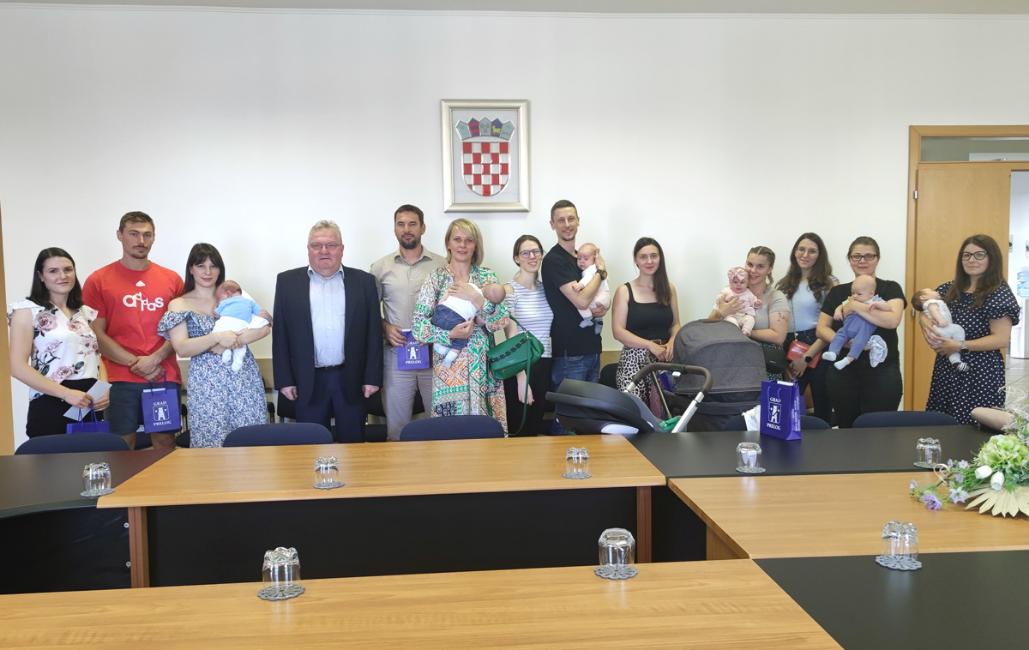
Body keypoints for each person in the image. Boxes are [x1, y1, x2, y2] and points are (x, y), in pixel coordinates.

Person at [273, 220, 383, 442]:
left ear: (342, 249)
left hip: (351, 379)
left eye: (331, 245)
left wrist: (373, 377)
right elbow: (280, 335)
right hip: (307, 381)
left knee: (353, 445)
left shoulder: (364, 282)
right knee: (311, 445)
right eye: (316, 245)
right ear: (308, 249)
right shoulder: (287, 282)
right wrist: (284, 380)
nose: (324, 251)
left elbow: (373, 333)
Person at [83, 211, 183, 449]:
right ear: (120, 235)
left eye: (147, 235)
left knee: (164, 441)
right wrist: (137, 364)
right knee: (121, 443)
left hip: (163, 374)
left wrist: (155, 359)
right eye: (134, 234)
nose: (141, 241)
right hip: (118, 378)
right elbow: (96, 334)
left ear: (154, 237)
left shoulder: (172, 279)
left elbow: (180, 330)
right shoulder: (98, 280)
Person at [158, 245, 269, 447]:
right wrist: (216, 337)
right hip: (206, 384)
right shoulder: (179, 304)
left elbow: (264, 325)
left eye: (213, 266)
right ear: (191, 269)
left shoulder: (234, 293)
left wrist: (233, 341)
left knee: (251, 440)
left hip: (243, 377)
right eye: (201, 266)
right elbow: (182, 347)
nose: (207, 272)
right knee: (211, 443)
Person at [412, 218, 509, 429]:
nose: (462, 245)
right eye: (457, 239)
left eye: (469, 240)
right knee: (451, 435)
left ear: (476, 245)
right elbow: (418, 328)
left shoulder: (487, 277)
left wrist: (476, 298)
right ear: (448, 243)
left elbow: (501, 321)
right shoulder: (436, 278)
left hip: (484, 371)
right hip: (448, 373)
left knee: (486, 433)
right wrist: (450, 334)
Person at [8, 248, 110, 438]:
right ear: (41, 276)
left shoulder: (84, 312)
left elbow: (95, 356)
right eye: (53, 271)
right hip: (52, 400)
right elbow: (17, 367)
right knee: (53, 457)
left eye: (68, 269)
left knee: (91, 456)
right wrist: (66, 393)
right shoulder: (26, 311)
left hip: (89, 401)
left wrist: (103, 389)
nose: (62, 276)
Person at [921, 234, 1019, 424]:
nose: (971, 260)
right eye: (966, 255)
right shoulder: (948, 289)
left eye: (979, 254)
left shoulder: (998, 293)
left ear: (992, 258)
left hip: (980, 372)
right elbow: (924, 308)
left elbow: (1001, 339)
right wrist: (925, 323)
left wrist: (959, 345)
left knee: (974, 427)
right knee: (941, 423)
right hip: (947, 368)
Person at [370, 204, 446, 441]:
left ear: (423, 228)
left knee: (440, 425)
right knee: (397, 430)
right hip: (397, 355)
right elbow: (369, 313)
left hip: (435, 354)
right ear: (394, 229)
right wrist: (385, 328)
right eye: (401, 224)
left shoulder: (442, 265)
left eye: (412, 224)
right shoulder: (380, 267)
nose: (407, 229)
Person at [817, 236, 906, 428]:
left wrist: (854, 306)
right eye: (856, 256)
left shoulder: (890, 288)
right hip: (843, 374)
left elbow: (892, 320)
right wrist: (847, 343)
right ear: (849, 260)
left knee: (881, 429)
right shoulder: (838, 292)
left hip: (882, 372)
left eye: (868, 256)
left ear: (877, 259)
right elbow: (822, 328)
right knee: (847, 429)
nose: (862, 261)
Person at [542, 200, 608, 432]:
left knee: (589, 422)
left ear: (578, 221)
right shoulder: (554, 260)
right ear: (552, 225)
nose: (567, 224)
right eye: (561, 220)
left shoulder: (582, 258)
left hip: (592, 347)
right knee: (569, 422)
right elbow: (581, 300)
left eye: (571, 218)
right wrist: (601, 272)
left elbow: (597, 295)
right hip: (570, 354)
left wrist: (603, 307)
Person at [612, 237, 680, 414]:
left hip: (664, 360)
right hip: (633, 362)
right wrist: (649, 345)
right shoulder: (624, 290)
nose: (649, 261)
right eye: (643, 257)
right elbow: (618, 331)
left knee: (664, 416)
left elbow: (675, 324)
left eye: (654, 256)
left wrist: (673, 341)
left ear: (660, 258)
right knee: (636, 415)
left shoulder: (669, 289)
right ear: (636, 260)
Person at [776, 232, 837, 424]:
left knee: (822, 407)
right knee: (786, 410)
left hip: (818, 345)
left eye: (812, 251)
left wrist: (806, 357)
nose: (805, 254)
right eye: (801, 249)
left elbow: (831, 327)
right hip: (789, 345)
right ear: (794, 252)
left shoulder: (830, 283)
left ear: (820, 255)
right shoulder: (783, 284)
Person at [710, 245, 790, 380]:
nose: (753, 270)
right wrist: (721, 313)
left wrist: (745, 331)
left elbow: (778, 336)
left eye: (760, 266)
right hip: (731, 362)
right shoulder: (729, 291)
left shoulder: (775, 297)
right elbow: (709, 324)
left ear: (769, 269)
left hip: (764, 364)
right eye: (750, 264)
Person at [502, 235, 554, 436]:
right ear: (516, 258)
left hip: (544, 363)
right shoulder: (509, 290)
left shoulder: (546, 289)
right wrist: (521, 378)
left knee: (535, 428)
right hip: (522, 366)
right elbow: (511, 336)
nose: (532, 256)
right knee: (519, 431)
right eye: (525, 253)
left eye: (536, 252)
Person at [821, 274, 890, 370]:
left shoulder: (875, 300)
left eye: (859, 294)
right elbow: (842, 305)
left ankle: (848, 359)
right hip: (848, 326)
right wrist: (837, 311)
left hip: (863, 329)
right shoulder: (851, 299)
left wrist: (878, 305)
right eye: (853, 293)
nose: (855, 296)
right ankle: (832, 352)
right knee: (839, 335)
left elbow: (888, 307)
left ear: (871, 293)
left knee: (859, 342)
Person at [430, 281, 507, 367]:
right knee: (461, 339)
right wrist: (481, 305)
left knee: (438, 325)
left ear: (486, 284)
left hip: (441, 311)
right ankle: (448, 359)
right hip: (457, 320)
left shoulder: (470, 284)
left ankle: (438, 346)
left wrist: (441, 303)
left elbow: (500, 319)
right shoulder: (484, 304)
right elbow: (480, 321)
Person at [212, 280, 268, 372]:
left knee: (217, 331)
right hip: (242, 324)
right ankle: (238, 361)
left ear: (228, 293)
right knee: (241, 344)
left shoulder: (226, 302)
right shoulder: (249, 302)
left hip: (226, 321)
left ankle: (226, 351)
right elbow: (261, 313)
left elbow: (216, 313)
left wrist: (216, 311)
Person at [912, 288, 968, 372]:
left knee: (952, 348)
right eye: (932, 291)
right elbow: (934, 311)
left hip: (940, 332)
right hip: (941, 328)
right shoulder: (931, 303)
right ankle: (961, 345)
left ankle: (956, 361)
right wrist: (941, 321)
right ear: (923, 297)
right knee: (958, 329)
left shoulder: (932, 302)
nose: (937, 291)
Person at [573, 243, 611, 334]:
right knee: (596, 309)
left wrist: (580, 285)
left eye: (586, 259)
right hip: (605, 298)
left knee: (580, 305)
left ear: (594, 259)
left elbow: (588, 278)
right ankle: (599, 321)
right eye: (579, 258)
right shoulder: (599, 269)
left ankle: (588, 319)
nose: (582, 261)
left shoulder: (591, 269)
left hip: (599, 297)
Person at [718, 266, 761, 335]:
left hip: (743, 315)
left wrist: (756, 303)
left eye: (742, 282)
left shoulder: (748, 292)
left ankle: (746, 331)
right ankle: (736, 333)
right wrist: (720, 299)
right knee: (730, 321)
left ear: (747, 283)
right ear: (730, 282)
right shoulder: (727, 291)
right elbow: (720, 299)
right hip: (731, 315)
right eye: (735, 282)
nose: (738, 285)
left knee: (750, 319)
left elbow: (753, 301)